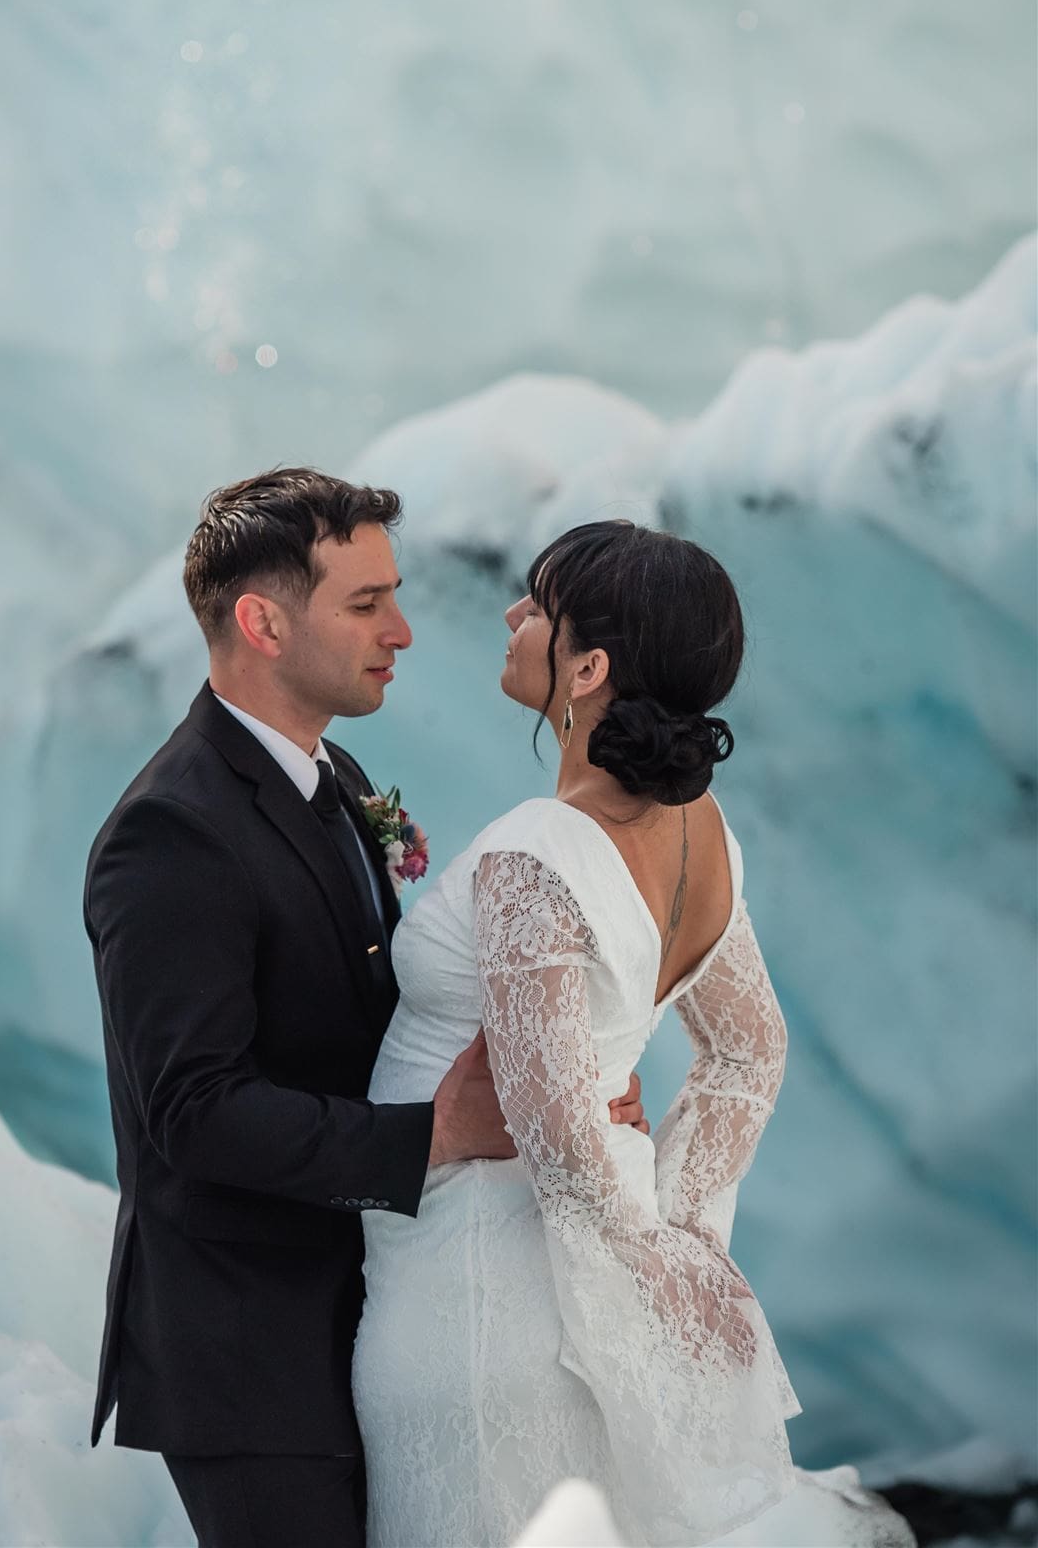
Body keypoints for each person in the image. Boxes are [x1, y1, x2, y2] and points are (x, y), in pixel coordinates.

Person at [82, 469, 649, 1548]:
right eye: (363, 602)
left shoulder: (331, 772)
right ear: (259, 619)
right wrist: (431, 1135)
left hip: (362, 1313)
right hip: (251, 1350)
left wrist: (552, 1087)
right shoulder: (170, 833)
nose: (400, 629)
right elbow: (195, 1111)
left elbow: (368, 1022)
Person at [353, 519, 916, 1548]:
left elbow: (553, 1125)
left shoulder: (536, 848)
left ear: (590, 662)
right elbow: (749, 1051)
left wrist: (656, 1260)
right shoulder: (707, 838)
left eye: (535, 604)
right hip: (564, 1304)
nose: (513, 618)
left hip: (475, 1299)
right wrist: (681, 1232)